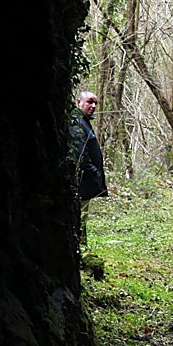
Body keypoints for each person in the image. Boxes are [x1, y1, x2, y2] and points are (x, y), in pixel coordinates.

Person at [69, 90, 108, 243]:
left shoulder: (83, 121)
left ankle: (82, 244)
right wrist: (94, 173)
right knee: (79, 215)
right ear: (79, 102)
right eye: (89, 102)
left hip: (86, 182)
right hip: (81, 181)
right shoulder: (77, 122)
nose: (93, 106)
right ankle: (80, 246)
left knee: (83, 214)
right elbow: (80, 153)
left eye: (95, 103)